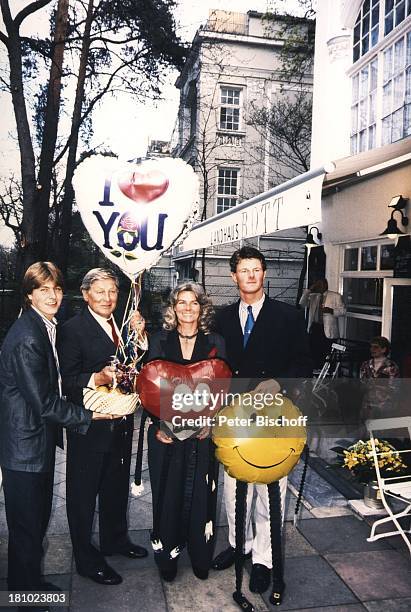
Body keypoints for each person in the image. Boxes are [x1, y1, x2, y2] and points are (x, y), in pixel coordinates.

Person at [0, 262, 102, 611]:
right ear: (30, 293)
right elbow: (43, 402)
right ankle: (27, 600)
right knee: (28, 529)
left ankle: (28, 584)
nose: (53, 295)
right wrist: (90, 415)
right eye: (44, 289)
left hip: (33, 444)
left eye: (56, 288)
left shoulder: (42, 325)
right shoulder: (28, 336)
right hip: (24, 449)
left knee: (33, 525)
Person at [212, 246, 312, 595]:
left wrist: (280, 382)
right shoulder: (221, 319)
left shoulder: (289, 315)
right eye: (244, 270)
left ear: (264, 273)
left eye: (257, 269)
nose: (251, 275)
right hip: (235, 419)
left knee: (270, 491)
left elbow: (304, 365)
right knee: (232, 488)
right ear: (233, 276)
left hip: (274, 418)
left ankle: (264, 560)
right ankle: (240, 545)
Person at [57, 268, 147, 586]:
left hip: (120, 421)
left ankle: (115, 540)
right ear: (85, 294)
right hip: (89, 426)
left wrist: (141, 335)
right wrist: (99, 377)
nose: (108, 298)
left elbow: (132, 363)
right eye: (100, 291)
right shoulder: (72, 329)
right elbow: (66, 381)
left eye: (112, 291)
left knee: (115, 485)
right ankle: (85, 559)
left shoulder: (119, 326)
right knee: (83, 495)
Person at [145, 282, 226, 583]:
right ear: (173, 307)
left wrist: (211, 421)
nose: (187, 308)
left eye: (194, 302)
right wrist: (161, 424)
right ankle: (167, 559)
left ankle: (200, 556)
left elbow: (223, 386)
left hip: (204, 433)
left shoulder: (216, 340)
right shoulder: (161, 339)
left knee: (202, 494)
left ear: (202, 308)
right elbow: (150, 385)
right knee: (169, 495)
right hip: (166, 433)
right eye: (182, 302)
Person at [299, 278, 346, 369]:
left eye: (320, 284)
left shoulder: (335, 296)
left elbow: (343, 311)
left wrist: (331, 311)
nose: (319, 286)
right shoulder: (313, 296)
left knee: (327, 354)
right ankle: (315, 372)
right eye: (317, 284)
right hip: (315, 327)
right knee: (314, 353)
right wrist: (309, 290)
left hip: (328, 330)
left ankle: (328, 373)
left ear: (325, 285)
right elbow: (302, 303)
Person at [360, 336, 400, 420]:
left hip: (384, 406)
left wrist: (375, 386)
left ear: (384, 349)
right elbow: (362, 384)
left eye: (376, 347)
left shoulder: (392, 367)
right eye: (371, 347)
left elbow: (394, 388)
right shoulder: (366, 365)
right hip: (368, 405)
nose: (372, 349)